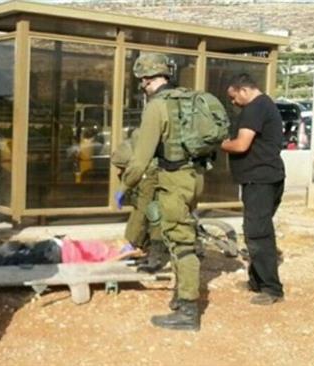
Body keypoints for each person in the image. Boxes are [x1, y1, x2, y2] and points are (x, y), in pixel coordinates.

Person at [115, 53, 205, 331]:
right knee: (180, 233)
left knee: (181, 243)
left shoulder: (157, 106)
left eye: (142, 81)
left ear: (148, 79)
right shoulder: (188, 100)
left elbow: (141, 159)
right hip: (195, 176)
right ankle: (181, 297)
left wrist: (124, 185)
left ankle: (189, 311)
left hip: (174, 177)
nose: (142, 86)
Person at [220, 73, 285, 305]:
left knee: (258, 233)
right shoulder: (265, 104)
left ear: (244, 91)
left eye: (233, 97)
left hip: (260, 180)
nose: (233, 102)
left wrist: (219, 143)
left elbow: (241, 144)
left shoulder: (254, 108)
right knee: (259, 229)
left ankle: (271, 289)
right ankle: (256, 281)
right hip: (267, 177)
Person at [111, 129, 168, 273]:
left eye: (122, 169)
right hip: (164, 176)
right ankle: (149, 252)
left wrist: (132, 241)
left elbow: (142, 212)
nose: (119, 173)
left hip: (153, 178)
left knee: (152, 215)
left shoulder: (145, 169)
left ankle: (153, 258)